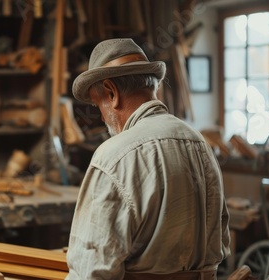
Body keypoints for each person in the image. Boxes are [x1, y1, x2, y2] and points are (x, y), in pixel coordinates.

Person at [65, 38, 231, 279]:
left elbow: (90, 271)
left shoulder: (114, 155)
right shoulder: (199, 143)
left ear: (111, 93)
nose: (101, 117)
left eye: (98, 104)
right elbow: (221, 238)